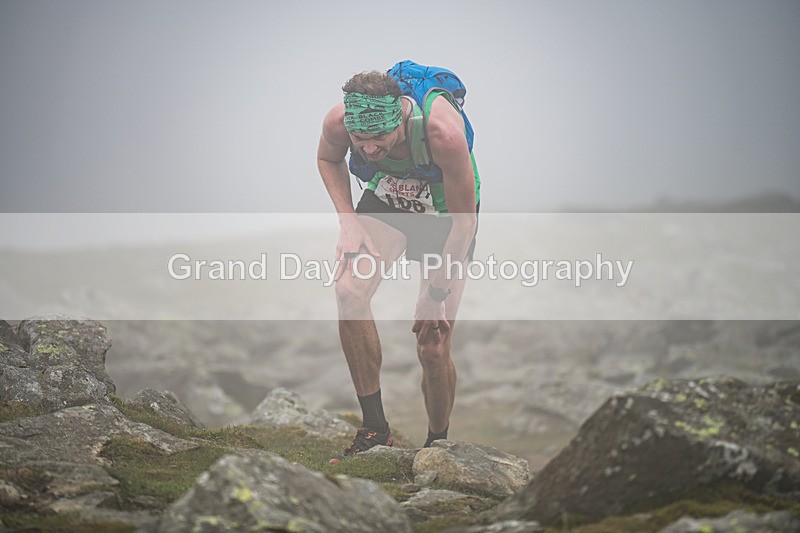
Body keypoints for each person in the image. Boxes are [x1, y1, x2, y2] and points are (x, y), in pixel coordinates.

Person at [316, 69, 480, 462]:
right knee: (348, 290)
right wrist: (348, 220)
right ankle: (374, 429)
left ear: (401, 122)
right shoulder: (340, 121)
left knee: (434, 345)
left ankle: (436, 445)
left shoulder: (443, 134)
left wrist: (435, 295)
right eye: (361, 140)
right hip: (389, 198)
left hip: (446, 213)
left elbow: (465, 223)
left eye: (380, 139)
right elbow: (327, 158)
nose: (370, 150)